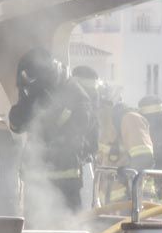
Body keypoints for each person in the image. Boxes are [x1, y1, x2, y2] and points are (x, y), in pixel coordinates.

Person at [9, 48, 98, 218]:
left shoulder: (76, 95)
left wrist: (52, 118)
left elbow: (79, 131)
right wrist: (25, 105)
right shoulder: (37, 91)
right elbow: (17, 125)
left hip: (66, 183)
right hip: (36, 182)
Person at [69, 67, 154, 208]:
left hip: (135, 207)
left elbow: (144, 159)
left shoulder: (129, 119)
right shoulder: (99, 127)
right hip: (109, 208)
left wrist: (124, 176)